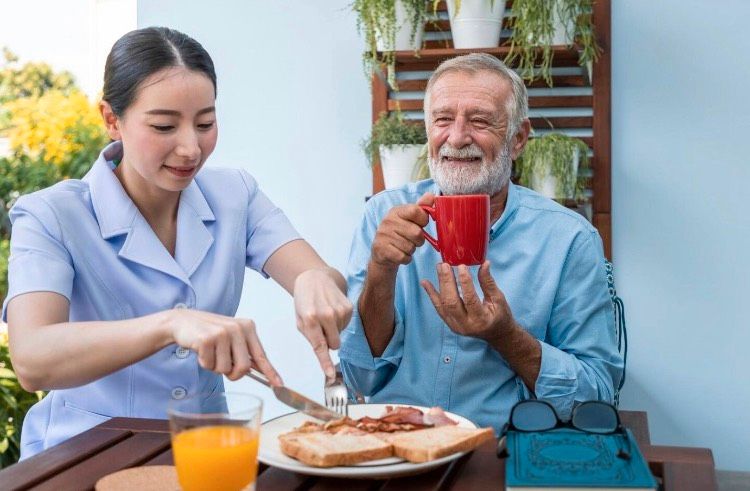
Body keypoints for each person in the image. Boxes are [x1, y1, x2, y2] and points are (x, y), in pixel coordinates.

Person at [2, 27, 352, 459]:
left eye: (205, 123)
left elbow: (316, 274)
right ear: (112, 120)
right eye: (165, 125)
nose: (191, 147)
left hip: (207, 454)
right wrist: (171, 324)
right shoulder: (50, 215)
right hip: (84, 457)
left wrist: (315, 279)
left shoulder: (235, 194)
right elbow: (33, 358)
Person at [339, 53, 624, 432]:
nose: (456, 138)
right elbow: (359, 379)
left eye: (480, 120)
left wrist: (505, 336)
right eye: (443, 119)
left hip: (503, 449)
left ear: (518, 138)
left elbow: (596, 396)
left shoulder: (570, 238)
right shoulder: (383, 215)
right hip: (398, 441)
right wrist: (381, 271)